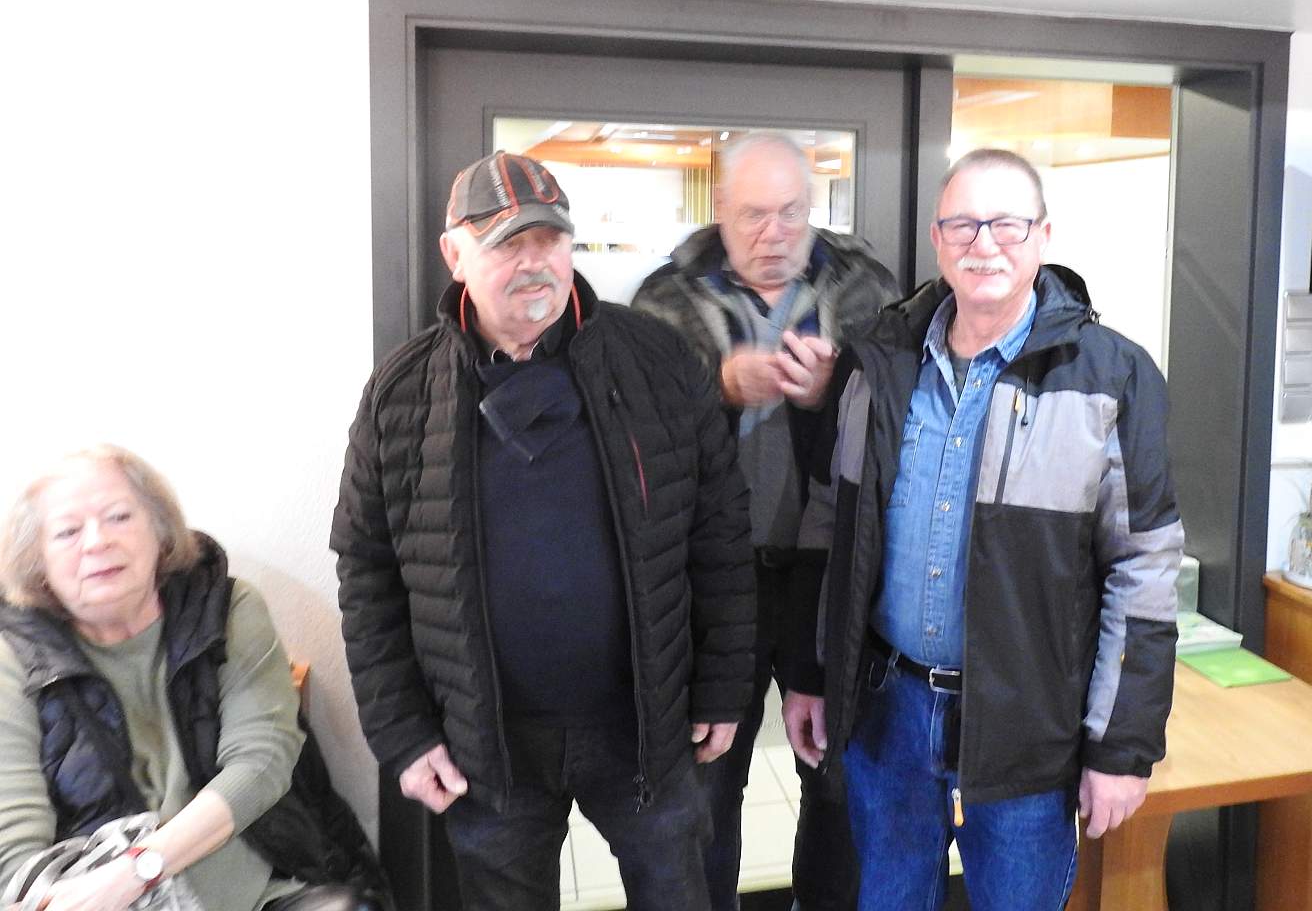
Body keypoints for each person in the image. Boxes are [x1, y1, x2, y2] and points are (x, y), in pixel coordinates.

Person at [331, 150, 755, 911]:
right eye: (507, 243)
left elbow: (718, 531)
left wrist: (725, 684)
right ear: (455, 255)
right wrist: (402, 732)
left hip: (647, 725)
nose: (535, 263)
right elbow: (366, 573)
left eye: (550, 238)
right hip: (488, 746)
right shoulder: (401, 395)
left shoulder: (657, 360)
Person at [783, 148, 1185, 911]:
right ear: (938, 239)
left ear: (1044, 236)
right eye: (964, 224)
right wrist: (812, 671)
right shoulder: (881, 362)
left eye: (1007, 224)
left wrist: (1122, 747)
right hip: (888, 712)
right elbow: (831, 523)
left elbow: (1144, 569)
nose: (985, 243)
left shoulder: (1111, 376)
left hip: (1026, 722)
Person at [633, 133, 898, 910]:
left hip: (832, 576)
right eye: (754, 214)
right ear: (720, 208)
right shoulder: (666, 299)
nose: (775, 234)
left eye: (791, 213)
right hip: (710, 585)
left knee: (838, 783)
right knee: (707, 790)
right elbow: (631, 440)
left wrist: (833, 394)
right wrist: (715, 386)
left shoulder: (868, 290)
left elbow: (906, 421)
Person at [0, 445, 383, 911]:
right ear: (38, 561)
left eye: (119, 517)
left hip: (252, 889)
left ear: (160, 532)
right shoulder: (11, 656)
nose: (97, 541)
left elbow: (261, 762)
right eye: (67, 531)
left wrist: (139, 870)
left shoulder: (225, 608)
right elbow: (15, 848)